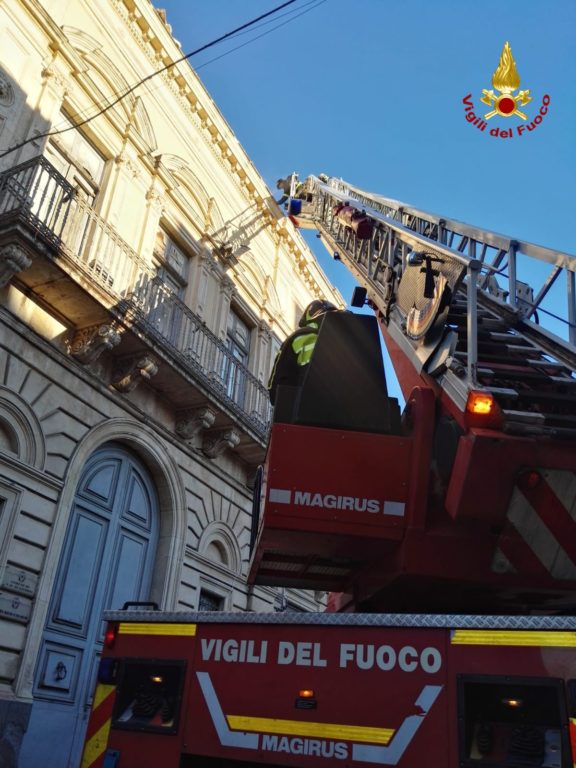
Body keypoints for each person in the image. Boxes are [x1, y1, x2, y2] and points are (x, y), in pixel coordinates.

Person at [268, 299, 338, 404]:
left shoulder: (299, 337)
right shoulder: (309, 337)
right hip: (307, 403)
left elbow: (279, 376)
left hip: (294, 403)